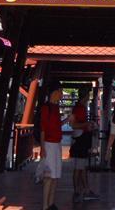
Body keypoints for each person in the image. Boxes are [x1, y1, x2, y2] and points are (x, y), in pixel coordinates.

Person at [69, 87, 98, 203]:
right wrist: (88, 124)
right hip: (81, 140)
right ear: (85, 96)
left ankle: (82, 190)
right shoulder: (80, 109)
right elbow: (75, 125)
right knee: (80, 167)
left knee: (80, 167)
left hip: (79, 140)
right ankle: (80, 191)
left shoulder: (78, 108)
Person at [39, 79, 64, 210]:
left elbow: (56, 126)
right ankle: (45, 206)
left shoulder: (55, 107)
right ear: (54, 92)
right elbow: (43, 129)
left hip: (57, 144)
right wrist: (42, 147)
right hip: (49, 144)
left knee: (55, 176)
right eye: (60, 91)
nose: (61, 94)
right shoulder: (46, 108)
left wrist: (66, 119)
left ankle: (51, 203)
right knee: (49, 177)